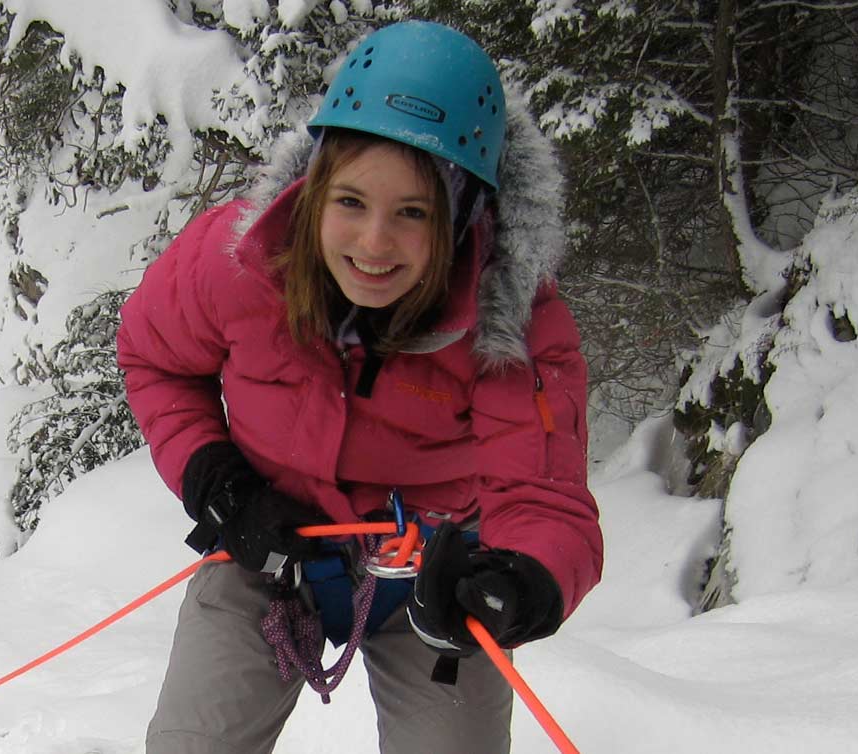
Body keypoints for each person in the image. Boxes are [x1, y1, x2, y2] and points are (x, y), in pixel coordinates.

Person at [116, 20, 602, 754]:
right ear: (313, 188)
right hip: (265, 551)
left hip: (437, 575)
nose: (374, 244)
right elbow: (154, 358)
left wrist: (518, 581)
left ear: (464, 214)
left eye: (412, 214)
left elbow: (543, 491)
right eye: (350, 203)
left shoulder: (511, 320)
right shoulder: (235, 260)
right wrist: (215, 480)